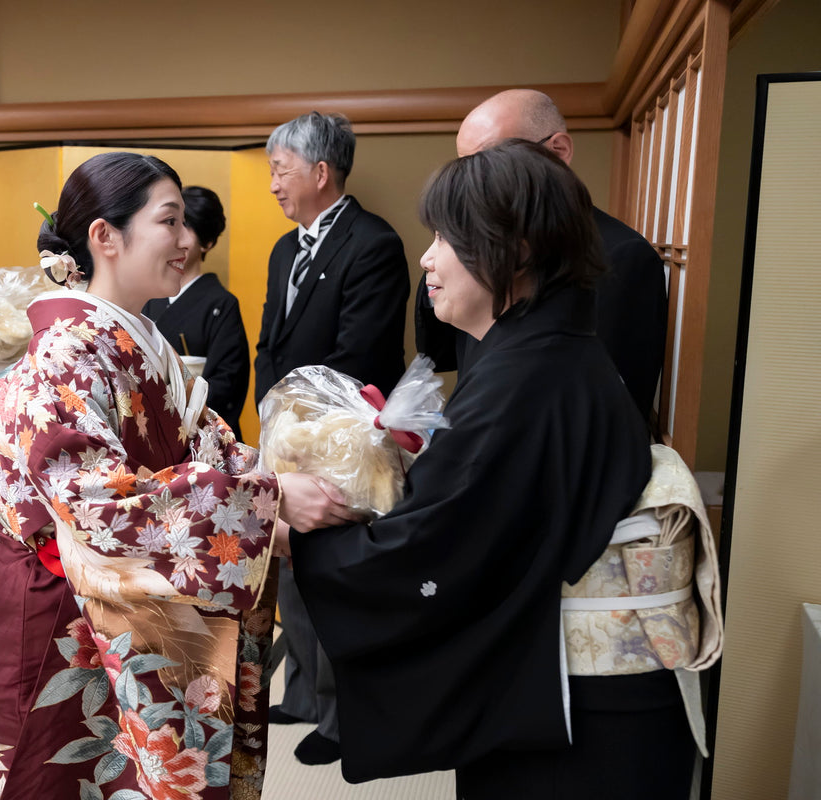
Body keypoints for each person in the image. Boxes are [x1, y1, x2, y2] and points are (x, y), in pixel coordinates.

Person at [0, 152, 357, 799]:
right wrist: (267, 505)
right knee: (48, 773)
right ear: (105, 238)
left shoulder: (137, 339)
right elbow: (97, 501)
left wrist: (276, 498)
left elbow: (207, 445)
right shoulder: (66, 351)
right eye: (170, 221)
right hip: (57, 611)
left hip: (113, 601)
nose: (187, 240)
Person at [288, 140, 697, 799]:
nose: (428, 259)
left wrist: (298, 536)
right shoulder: (543, 351)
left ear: (519, 249)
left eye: (448, 237)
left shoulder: (526, 378)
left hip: (583, 724)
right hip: (580, 701)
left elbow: (426, 553)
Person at [255, 111, 410, 765]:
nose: (272, 186)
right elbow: (270, 344)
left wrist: (301, 423)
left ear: (321, 172)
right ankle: (302, 695)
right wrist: (271, 414)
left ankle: (345, 719)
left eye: (281, 171)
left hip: (346, 442)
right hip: (288, 435)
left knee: (339, 573)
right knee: (293, 565)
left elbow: (361, 353)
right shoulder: (286, 247)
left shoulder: (373, 243)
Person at [416, 88, 668, 423]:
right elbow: (442, 350)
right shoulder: (480, 246)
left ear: (558, 151)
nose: (472, 183)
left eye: (490, 162)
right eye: (466, 167)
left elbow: (607, 411)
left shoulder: (621, 256)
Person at [142, 186, 250, 441]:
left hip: (198, 431)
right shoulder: (149, 297)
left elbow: (227, 384)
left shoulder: (222, 304)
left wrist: (173, 402)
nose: (177, 238)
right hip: (150, 424)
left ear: (208, 242)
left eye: (186, 229)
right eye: (172, 226)